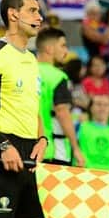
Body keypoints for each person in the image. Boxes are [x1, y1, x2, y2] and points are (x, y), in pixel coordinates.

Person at [0, 0, 49, 218]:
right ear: (13, 14)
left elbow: (36, 108)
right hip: (4, 152)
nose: (39, 17)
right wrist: (3, 146)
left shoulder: (31, 59)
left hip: (28, 155)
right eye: (33, 11)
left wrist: (42, 139)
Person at [36, 27, 85, 166]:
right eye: (63, 45)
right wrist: (75, 147)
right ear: (50, 49)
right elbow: (62, 113)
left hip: (26, 145)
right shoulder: (58, 77)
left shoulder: (27, 70)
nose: (66, 51)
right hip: (52, 149)